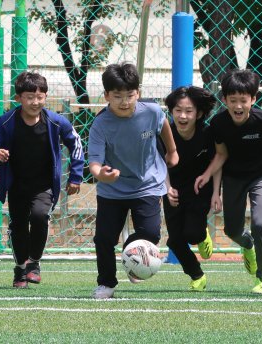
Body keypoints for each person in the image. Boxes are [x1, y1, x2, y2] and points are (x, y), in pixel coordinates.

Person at [194, 69, 262, 295]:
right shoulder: (219, 124)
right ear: (225, 100)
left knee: (260, 224)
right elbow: (220, 155)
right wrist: (213, 188)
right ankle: (247, 244)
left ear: (253, 99)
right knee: (232, 230)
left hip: (260, 177)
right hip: (233, 179)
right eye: (233, 101)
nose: (238, 106)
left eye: (244, 100)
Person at [0, 71, 84, 288]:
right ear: (18, 98)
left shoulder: (56, 122)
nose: (35, 102)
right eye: (29, 97)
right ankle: (19, 268)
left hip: (44, 185)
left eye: (40, 96)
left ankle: (34, 263)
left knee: (39, 217)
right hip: (17, 185)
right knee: (18, 226)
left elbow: (76, 143)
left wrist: (76, 175)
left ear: (46, 97)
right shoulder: (6, 121)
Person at [88, 62, 178, 299]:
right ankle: (106, 283)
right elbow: (95, 162)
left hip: (147, 183)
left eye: (130, 95)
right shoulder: (100, 124)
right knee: (104, 239)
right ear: (107, 95)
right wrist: (101, 174)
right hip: (112, 188)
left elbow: (164, 126)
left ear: (138, 92)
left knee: (151, 234)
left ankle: (132, 258)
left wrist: (172, 150)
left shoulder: (152, 111)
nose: (125, 101)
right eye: (117, 96)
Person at [163, 86, 221, 292]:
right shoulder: (165, 132)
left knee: (192, 234)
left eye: (189, 111)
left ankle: (202, 235)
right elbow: (159, 165)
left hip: (200, 187)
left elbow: (217, 161)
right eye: (178, 110)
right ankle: (197, 275)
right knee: (175, 240)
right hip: (173, 189)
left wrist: (216, 192)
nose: (183, 116)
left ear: (199, 113)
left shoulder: (208, 133)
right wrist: (168, 189)